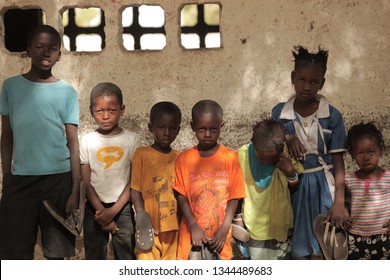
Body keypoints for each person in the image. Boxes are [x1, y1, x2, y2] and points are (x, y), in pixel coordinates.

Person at [0, 25, 80, 259]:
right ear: (27, 51)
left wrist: (75, 189)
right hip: (20, 180)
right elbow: (7, 135)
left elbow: (73, 143)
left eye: (52, 49)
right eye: (39, 47)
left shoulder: (67, 92)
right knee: (14, 251)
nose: (46, 53)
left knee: (56, 253)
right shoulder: (11, 87)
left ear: (59, 54)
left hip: (59, 181)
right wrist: (7, 178)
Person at [271, 45, 347, 259]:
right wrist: (288, 137)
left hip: (324, 185)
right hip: (294, 184)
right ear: (293, 77)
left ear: (322, 83)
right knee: (299, 241)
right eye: (302, 79)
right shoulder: (279, 113)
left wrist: (339, 201)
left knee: (324, 242)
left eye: (314, 82)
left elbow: (338, 160)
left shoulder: (332, 116)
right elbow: (268, 136)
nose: (307, 86)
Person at [173, 99, 246, 260]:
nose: (207, 134)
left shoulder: (230, 157)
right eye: (202, 129)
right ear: (193, 127)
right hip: (192, 235)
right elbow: (181, 196)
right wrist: (193, 225)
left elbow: (235, 196)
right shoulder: (184, 159)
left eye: (213, 129)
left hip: (219, 237)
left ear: (222, 126)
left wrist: (225, 228)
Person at [80, 82, 140, 260]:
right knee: (94, 256)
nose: (105, 116)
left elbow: (133, 180)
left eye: (112, 110)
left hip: (123, 208)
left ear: (122, 110)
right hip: (94, 208)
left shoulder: (132, 140)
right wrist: (102, 212)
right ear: (91, 112)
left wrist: (112, 212)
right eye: (99, 111)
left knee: (126, 255)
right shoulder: (87, 140)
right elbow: (85, 181)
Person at [235, 119, 303, 260]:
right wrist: (237, 217)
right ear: (253, 142)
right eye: (261, 158)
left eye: (271, 159)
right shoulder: (242, 155)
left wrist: (290, 171)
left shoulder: (287, 155)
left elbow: (295, 189)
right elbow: (235, 187)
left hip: (281, 225)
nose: (266, 162)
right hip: (253, 226)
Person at [131, 101, 182, 260]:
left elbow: (182, 195)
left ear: (178, 130)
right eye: (161, 127)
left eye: (172, 128)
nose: (167, 132)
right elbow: (135, 189)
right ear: (150, 127)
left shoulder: (180, 158)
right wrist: (142, 219)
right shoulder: (141, 154)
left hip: (173, 228)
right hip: (148, 229)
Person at [344, 122, 390, 260]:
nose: (366, 157)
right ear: (352, 155)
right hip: (356, 238)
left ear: (380, 150)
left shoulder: (388, 177)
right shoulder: (348, 179)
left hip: (385, 236)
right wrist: (345, 212)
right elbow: (342, 201)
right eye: (359, 153)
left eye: (371, 152)